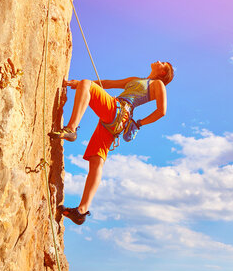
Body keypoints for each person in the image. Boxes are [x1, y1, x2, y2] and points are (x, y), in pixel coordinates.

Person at [49, 60, 174, 225]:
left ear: (163, 72)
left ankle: (71, 128)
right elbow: (107, 84)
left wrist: (139, 123)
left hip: (120, 111)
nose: (159, 61)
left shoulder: (158, 84)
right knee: (96, 161)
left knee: (87, 84)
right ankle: (81, 210)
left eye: (163, 63)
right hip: (116, 120)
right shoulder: (135, 79)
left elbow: (161, 111)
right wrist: (79, 84)